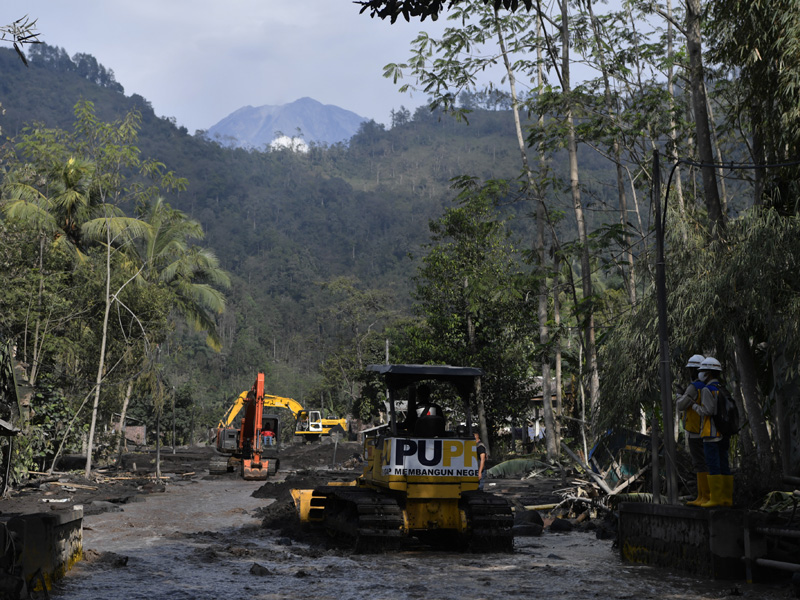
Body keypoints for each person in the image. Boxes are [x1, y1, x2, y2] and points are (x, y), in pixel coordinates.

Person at [690, 356, 733, 507]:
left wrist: (694, 406)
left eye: (703, 371)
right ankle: (727, 498)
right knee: (724, 464)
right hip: (723, 433)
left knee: (713, 465)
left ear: (708, 373)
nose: (700, 373)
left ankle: (715, 499)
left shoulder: (708, 390)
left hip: (711, 434)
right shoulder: (722, 388)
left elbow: (707, 411)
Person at [675, 354, 709, 506]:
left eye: (691, 369)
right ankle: (705, 496)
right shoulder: (707, 385)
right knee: (706, 463)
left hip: (696, 431)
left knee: (700, 464)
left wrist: (679, 396)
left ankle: (703, 496)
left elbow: (681, 405)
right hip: (706, 430)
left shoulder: (694, 387)